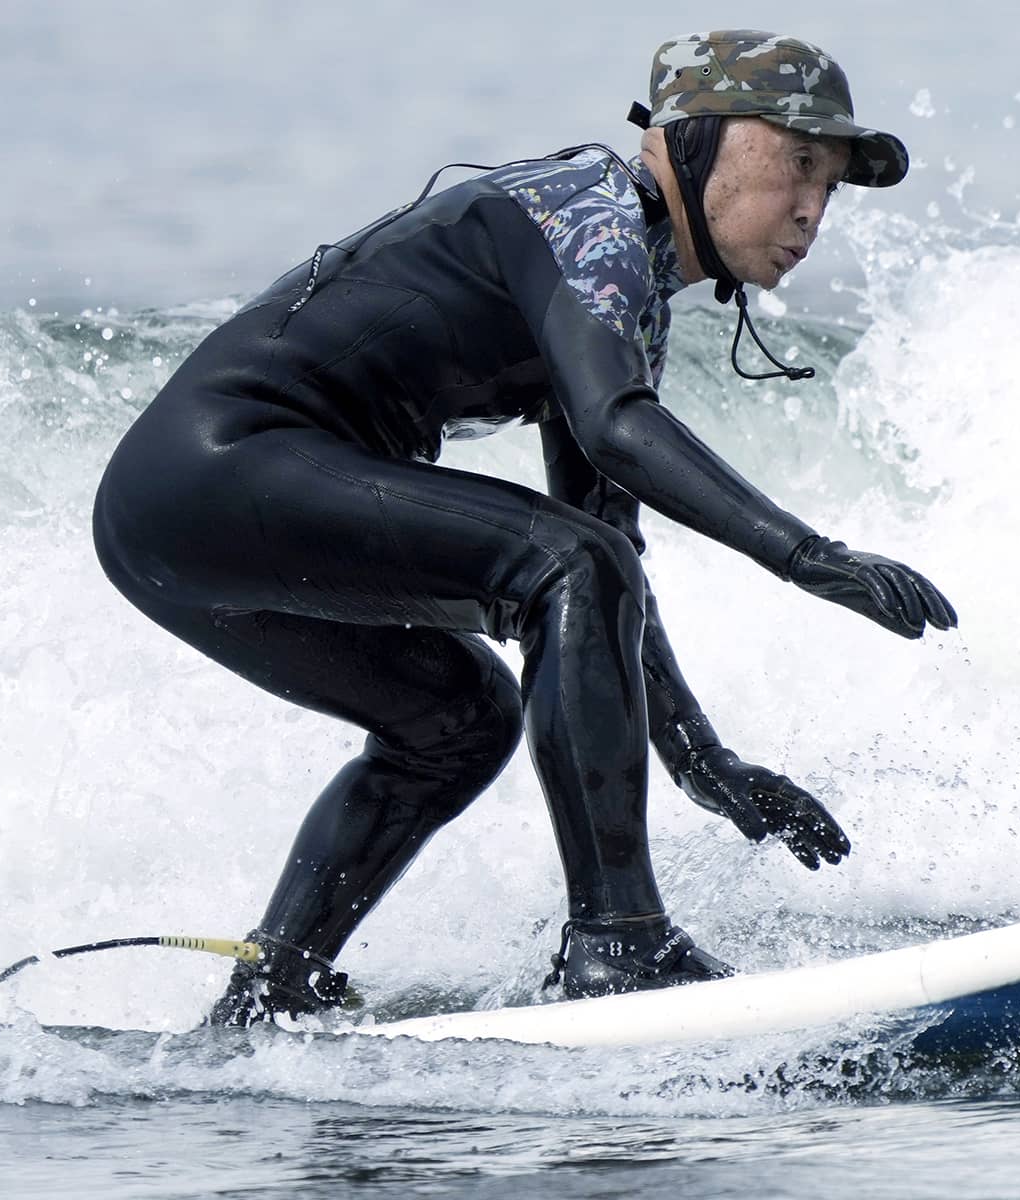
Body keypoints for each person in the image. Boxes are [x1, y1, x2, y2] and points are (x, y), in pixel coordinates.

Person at [91, 30, 956, 1026]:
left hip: (168, 524)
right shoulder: (584, 213)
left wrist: (706, 763)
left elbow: (604, 552)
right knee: (564, 565)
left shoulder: (619, 287)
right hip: (215, 468)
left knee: (458, 723)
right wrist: (810, 559)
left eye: (834, 185)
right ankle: (618, 941)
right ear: (697, 140)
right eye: (799, 161)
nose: (813, 208)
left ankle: (271, 990)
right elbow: (615, 435)